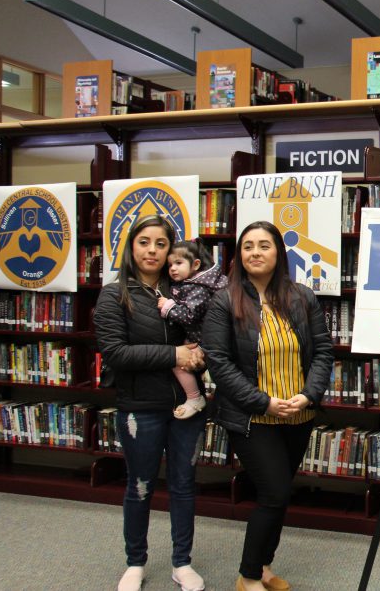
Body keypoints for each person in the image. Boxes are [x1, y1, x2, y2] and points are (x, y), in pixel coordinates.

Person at [201, 221, 334, 591]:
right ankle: (247, 576)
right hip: (251, 417)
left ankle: (264, 567)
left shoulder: (301, 296)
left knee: (279, 494)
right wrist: (264, 402)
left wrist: (309, 395)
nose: (255, 253)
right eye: (247, 247)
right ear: (239, 255)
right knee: (274, 492)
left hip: (299, 414)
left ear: (279, 253)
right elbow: (219, 363)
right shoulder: (223, 301)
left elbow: (323, 351)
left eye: (264, 245)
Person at [93, 215, 207, 591]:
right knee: (139, 485)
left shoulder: (184, 290)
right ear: (131, 246)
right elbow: (116, 352)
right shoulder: (114, 294)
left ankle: (182, 562)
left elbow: (204, 334)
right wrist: (174, 355)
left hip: (186, 409)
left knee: (183, 485)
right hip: (139, 406)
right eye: (145, 242)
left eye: (161, 244)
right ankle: (135, 562)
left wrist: (201, 354)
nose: (153, 251)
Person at [157, 238, 229, 419]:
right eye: (170, 265)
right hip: (201, 337)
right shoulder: (195, 284)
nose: (173, 268)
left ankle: (194, 398)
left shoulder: (198, 287)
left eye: (178, 263)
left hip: (206, 340)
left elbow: (190, 316)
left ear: (196, 264)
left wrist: (168, 307)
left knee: (179, 363)